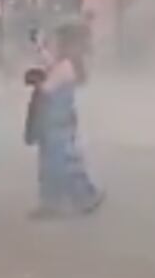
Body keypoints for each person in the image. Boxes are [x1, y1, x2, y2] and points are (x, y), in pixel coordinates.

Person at [33, 23, 104, 215]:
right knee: (66, 162)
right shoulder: (69, 63)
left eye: (56, 40)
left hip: (57, 122)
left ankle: (58, 203)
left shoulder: (65, 66)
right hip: (62, 121)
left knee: (56, 164)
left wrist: (37, 82)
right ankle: (84, 197)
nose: (54, 44)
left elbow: (47, 88)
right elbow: (51, 65)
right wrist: (40, 48)